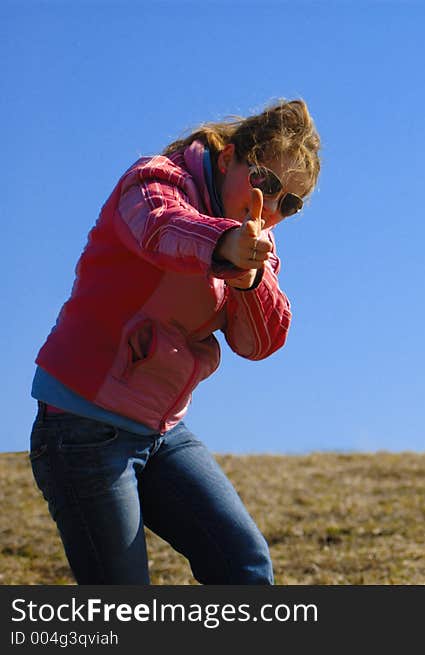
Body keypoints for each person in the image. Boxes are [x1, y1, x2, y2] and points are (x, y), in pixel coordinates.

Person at [27, 99, 321, 584]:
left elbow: (260, 341)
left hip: (160, 431)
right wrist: (226, 246)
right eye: (266, 183)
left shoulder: (256, 245)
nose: (271, 209)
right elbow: (161, 229)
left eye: (289, 203)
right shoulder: (153, 182)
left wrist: (248, 278)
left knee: (244, 566)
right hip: (80, 426)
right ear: (228, 159)